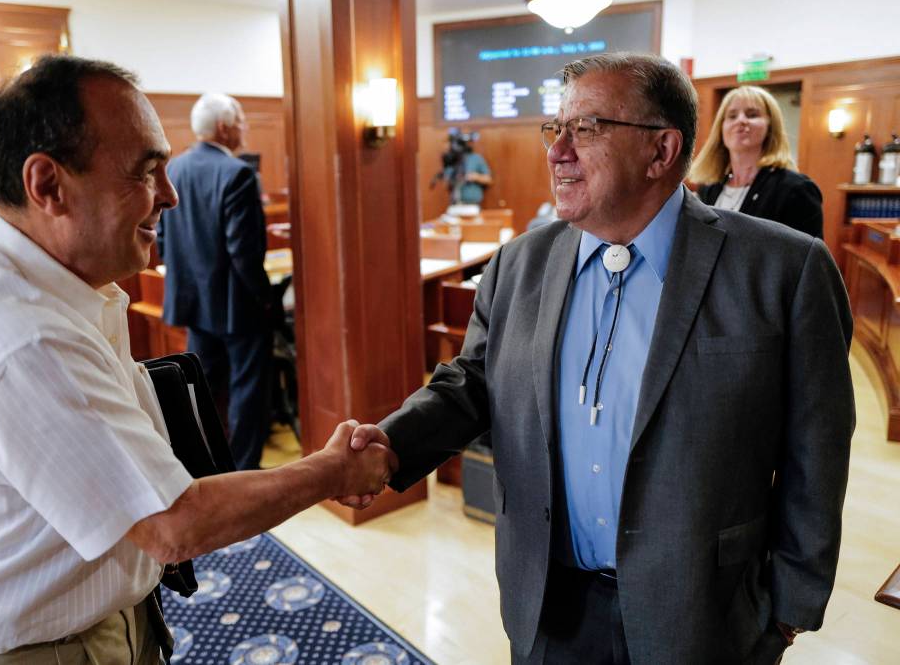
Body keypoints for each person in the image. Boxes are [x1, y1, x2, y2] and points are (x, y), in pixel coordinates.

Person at [0, 55, 396, 665]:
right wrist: (332, 471)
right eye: (146, 172)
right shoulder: (23, 340)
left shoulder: (54, 286)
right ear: (47, 185)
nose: (169, 195)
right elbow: (173, 524)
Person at [345, 53, 855, 664]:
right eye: (555, 128)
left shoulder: (784, 270)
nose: (557, 152)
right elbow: (474, 382)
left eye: (585, 128)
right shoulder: (518, 265)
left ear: (661, 150)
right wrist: (390, 444)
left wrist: (789, 610)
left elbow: (817, 448)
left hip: (705, 614)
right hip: (548, 607)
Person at [158, 93, 272, 471]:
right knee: (247, 392)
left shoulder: (174, 169)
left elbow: (162, 240)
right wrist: (266, 298)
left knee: (203, 392)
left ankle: (207, 469)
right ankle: (245, 474)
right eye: (241, 121)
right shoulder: (238, 173)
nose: (244, 128)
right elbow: (244, 252)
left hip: (193, 304)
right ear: (224, 127)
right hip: (237, 308)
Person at [691, 85, 823, 238]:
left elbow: (807, 252)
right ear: (721, 129)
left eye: (752, 115)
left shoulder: (796, 189)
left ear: (770, 126)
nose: (741, 120)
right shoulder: (708, 187)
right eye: (732, 116)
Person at [444, 130, 493, 206]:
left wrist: (476, 176)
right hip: (456, 202)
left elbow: (488, 179)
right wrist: (456, 178)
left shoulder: (476, 158)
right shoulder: (452, 159)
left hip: (473, 203)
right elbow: (446, 180)